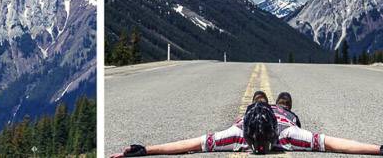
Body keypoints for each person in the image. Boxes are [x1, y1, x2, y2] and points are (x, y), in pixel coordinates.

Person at [110, 101, 383, 156]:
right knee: (265, 101)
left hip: (282, 114)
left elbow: (191, 145)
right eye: (258, 147)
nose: (261, 151)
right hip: (263, 113)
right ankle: (265, 101)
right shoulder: (238, 131)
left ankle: (277, 102)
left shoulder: (287, 131)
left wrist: (379, 149)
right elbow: (333, 143)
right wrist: (144, 150)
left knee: (284, 104)